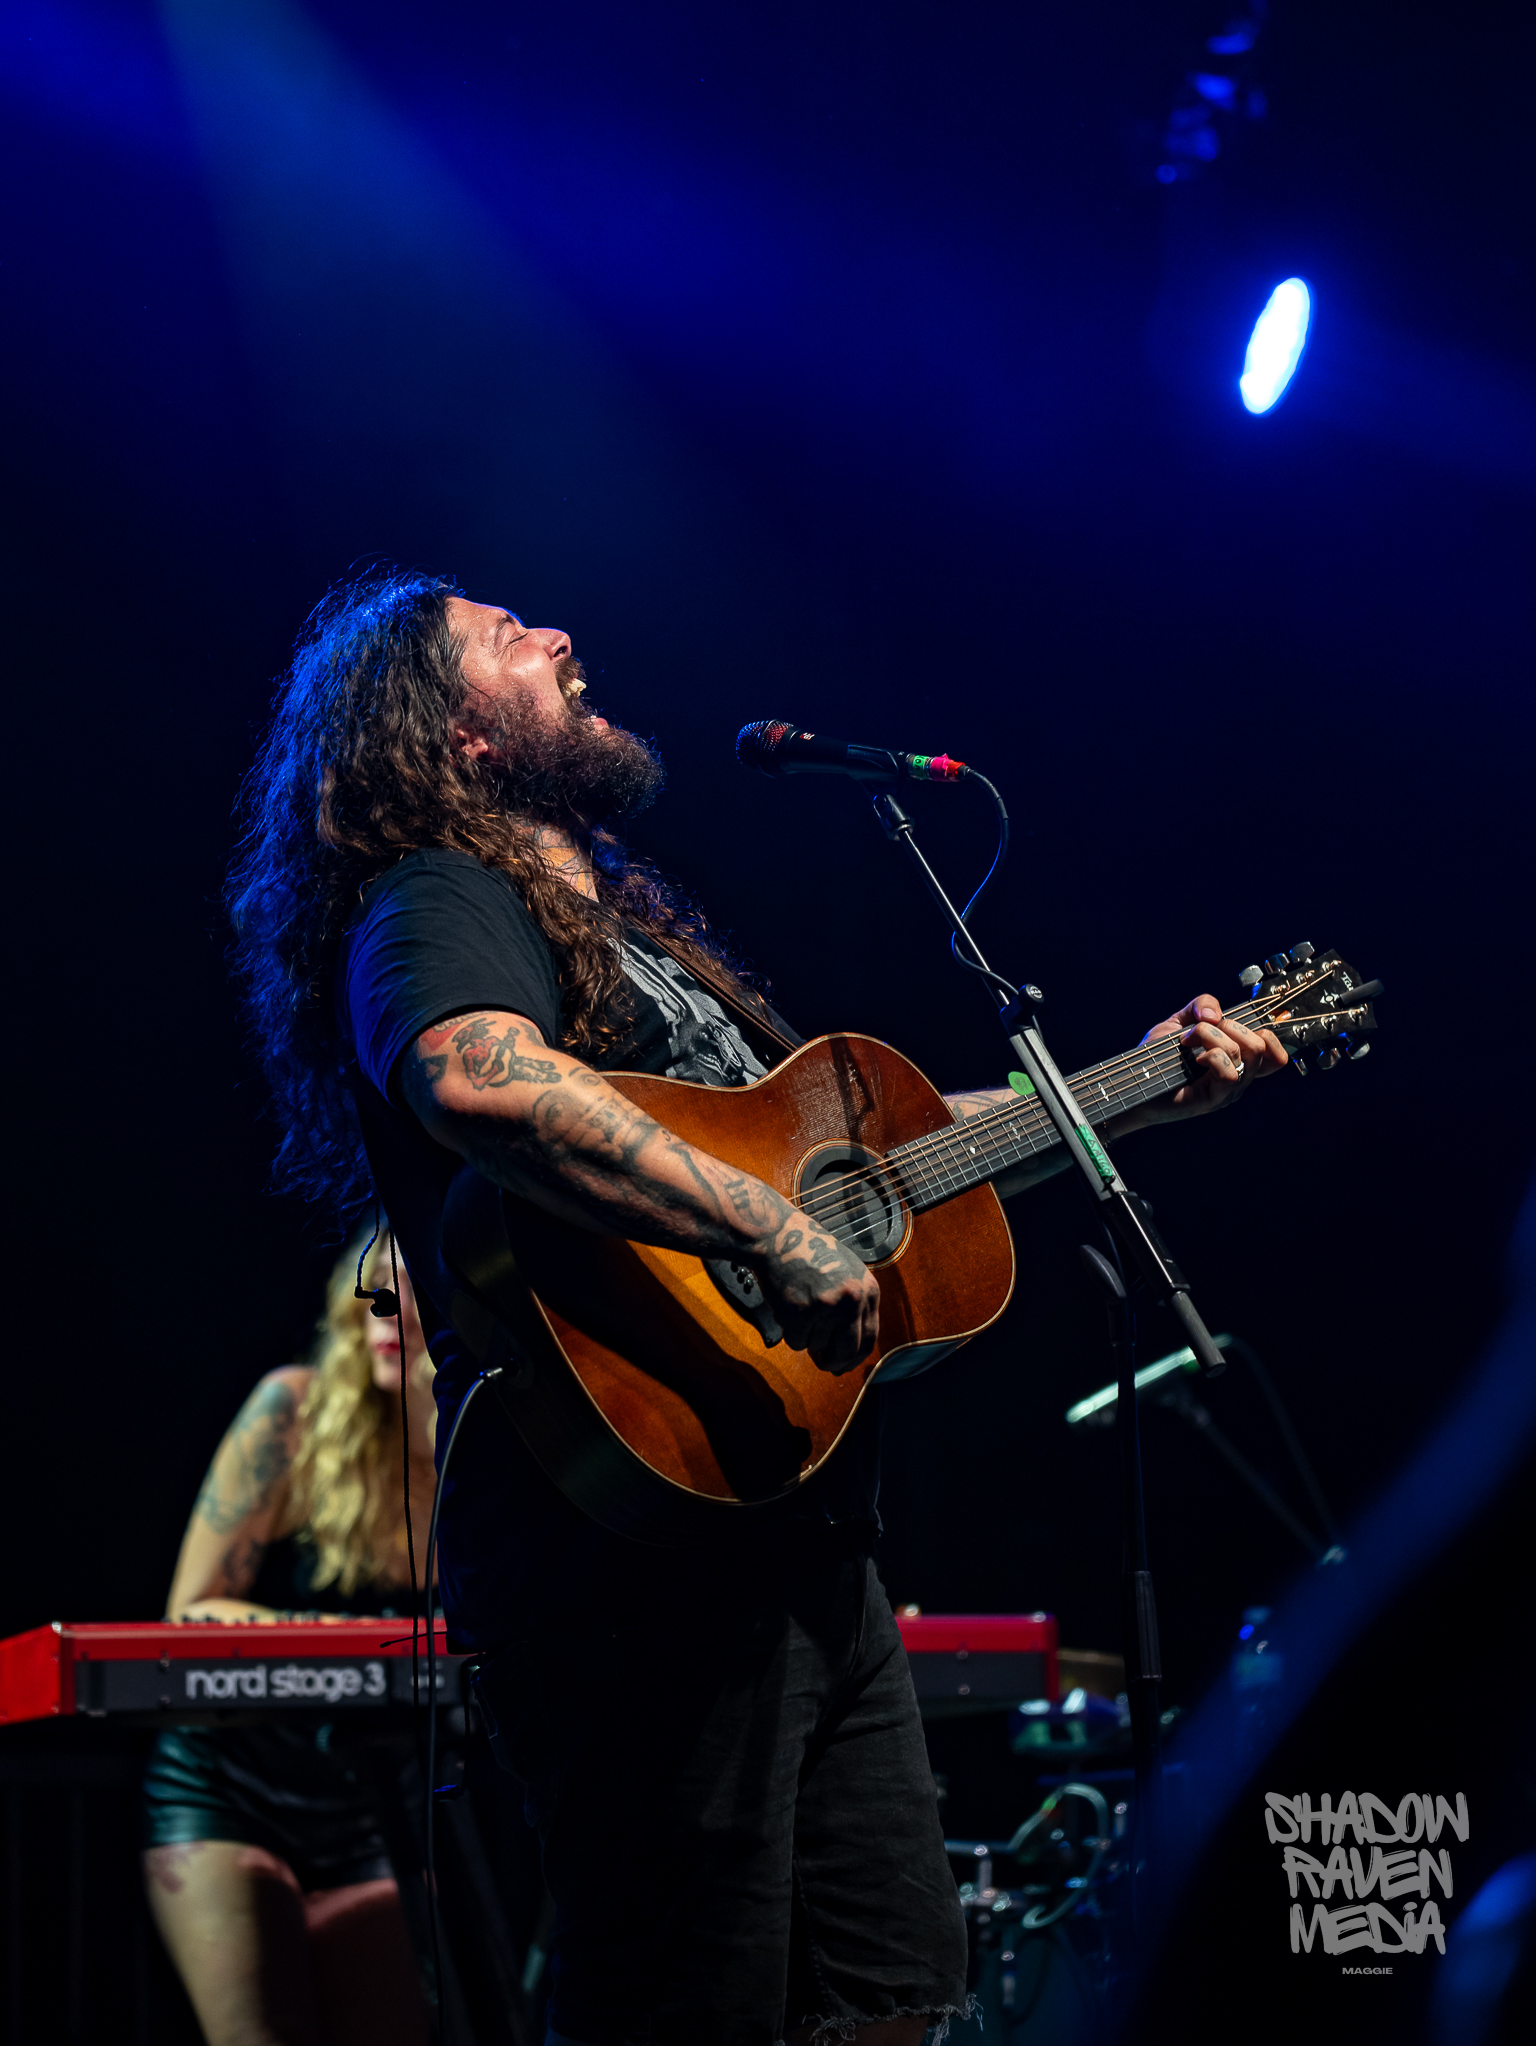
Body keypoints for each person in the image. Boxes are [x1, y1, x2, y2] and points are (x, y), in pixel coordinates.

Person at [226, 566, 1287, 2046]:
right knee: (679, 2006)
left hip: (800, 1543)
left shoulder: (648, 937)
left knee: (897, 2003)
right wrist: (768, 1231)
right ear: (449, 735)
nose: (559, 633)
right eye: (502, 636)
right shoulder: (438, 895)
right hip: (627, 1553)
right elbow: (474, 1073)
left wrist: (1133, 1091)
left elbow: (902, 1157)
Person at [142, 1232, 438, 2046]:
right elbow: (191, 1614)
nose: (386, 1310)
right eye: (372, 1290)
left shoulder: (473, 1455)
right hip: (230, 1791)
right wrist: (363, 1641)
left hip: (377, 1807)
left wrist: (433, 1406)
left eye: (412, 1289)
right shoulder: (294, 1411)